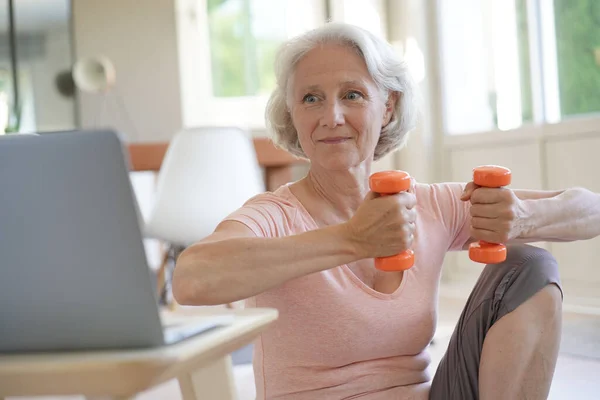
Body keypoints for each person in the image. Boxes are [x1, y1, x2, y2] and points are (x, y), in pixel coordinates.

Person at [173, 22, 600, 400]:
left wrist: (523, 218)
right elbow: (191, 279)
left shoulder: (429, 205)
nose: (332, 116)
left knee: (529, 264)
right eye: (311, 99)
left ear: (388, 106)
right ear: (293, 115)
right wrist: (352, 239)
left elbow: (590, 209)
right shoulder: (274, 216)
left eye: (353, 94)